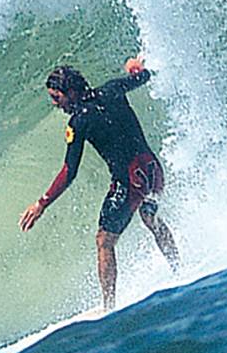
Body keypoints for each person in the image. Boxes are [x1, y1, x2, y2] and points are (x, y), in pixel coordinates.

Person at [20, 56, 180, 310]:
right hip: (151, 170)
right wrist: (135, 69)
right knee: (150, 218)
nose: (55, 104)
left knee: (104, 241)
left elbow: (69, 171)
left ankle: (109, 307)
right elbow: (143, 77)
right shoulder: (113, 89)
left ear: (71, 92)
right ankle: (179, 269)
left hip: (128, 180)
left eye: (57, 97)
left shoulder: (79, 121)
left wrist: (42, 204)